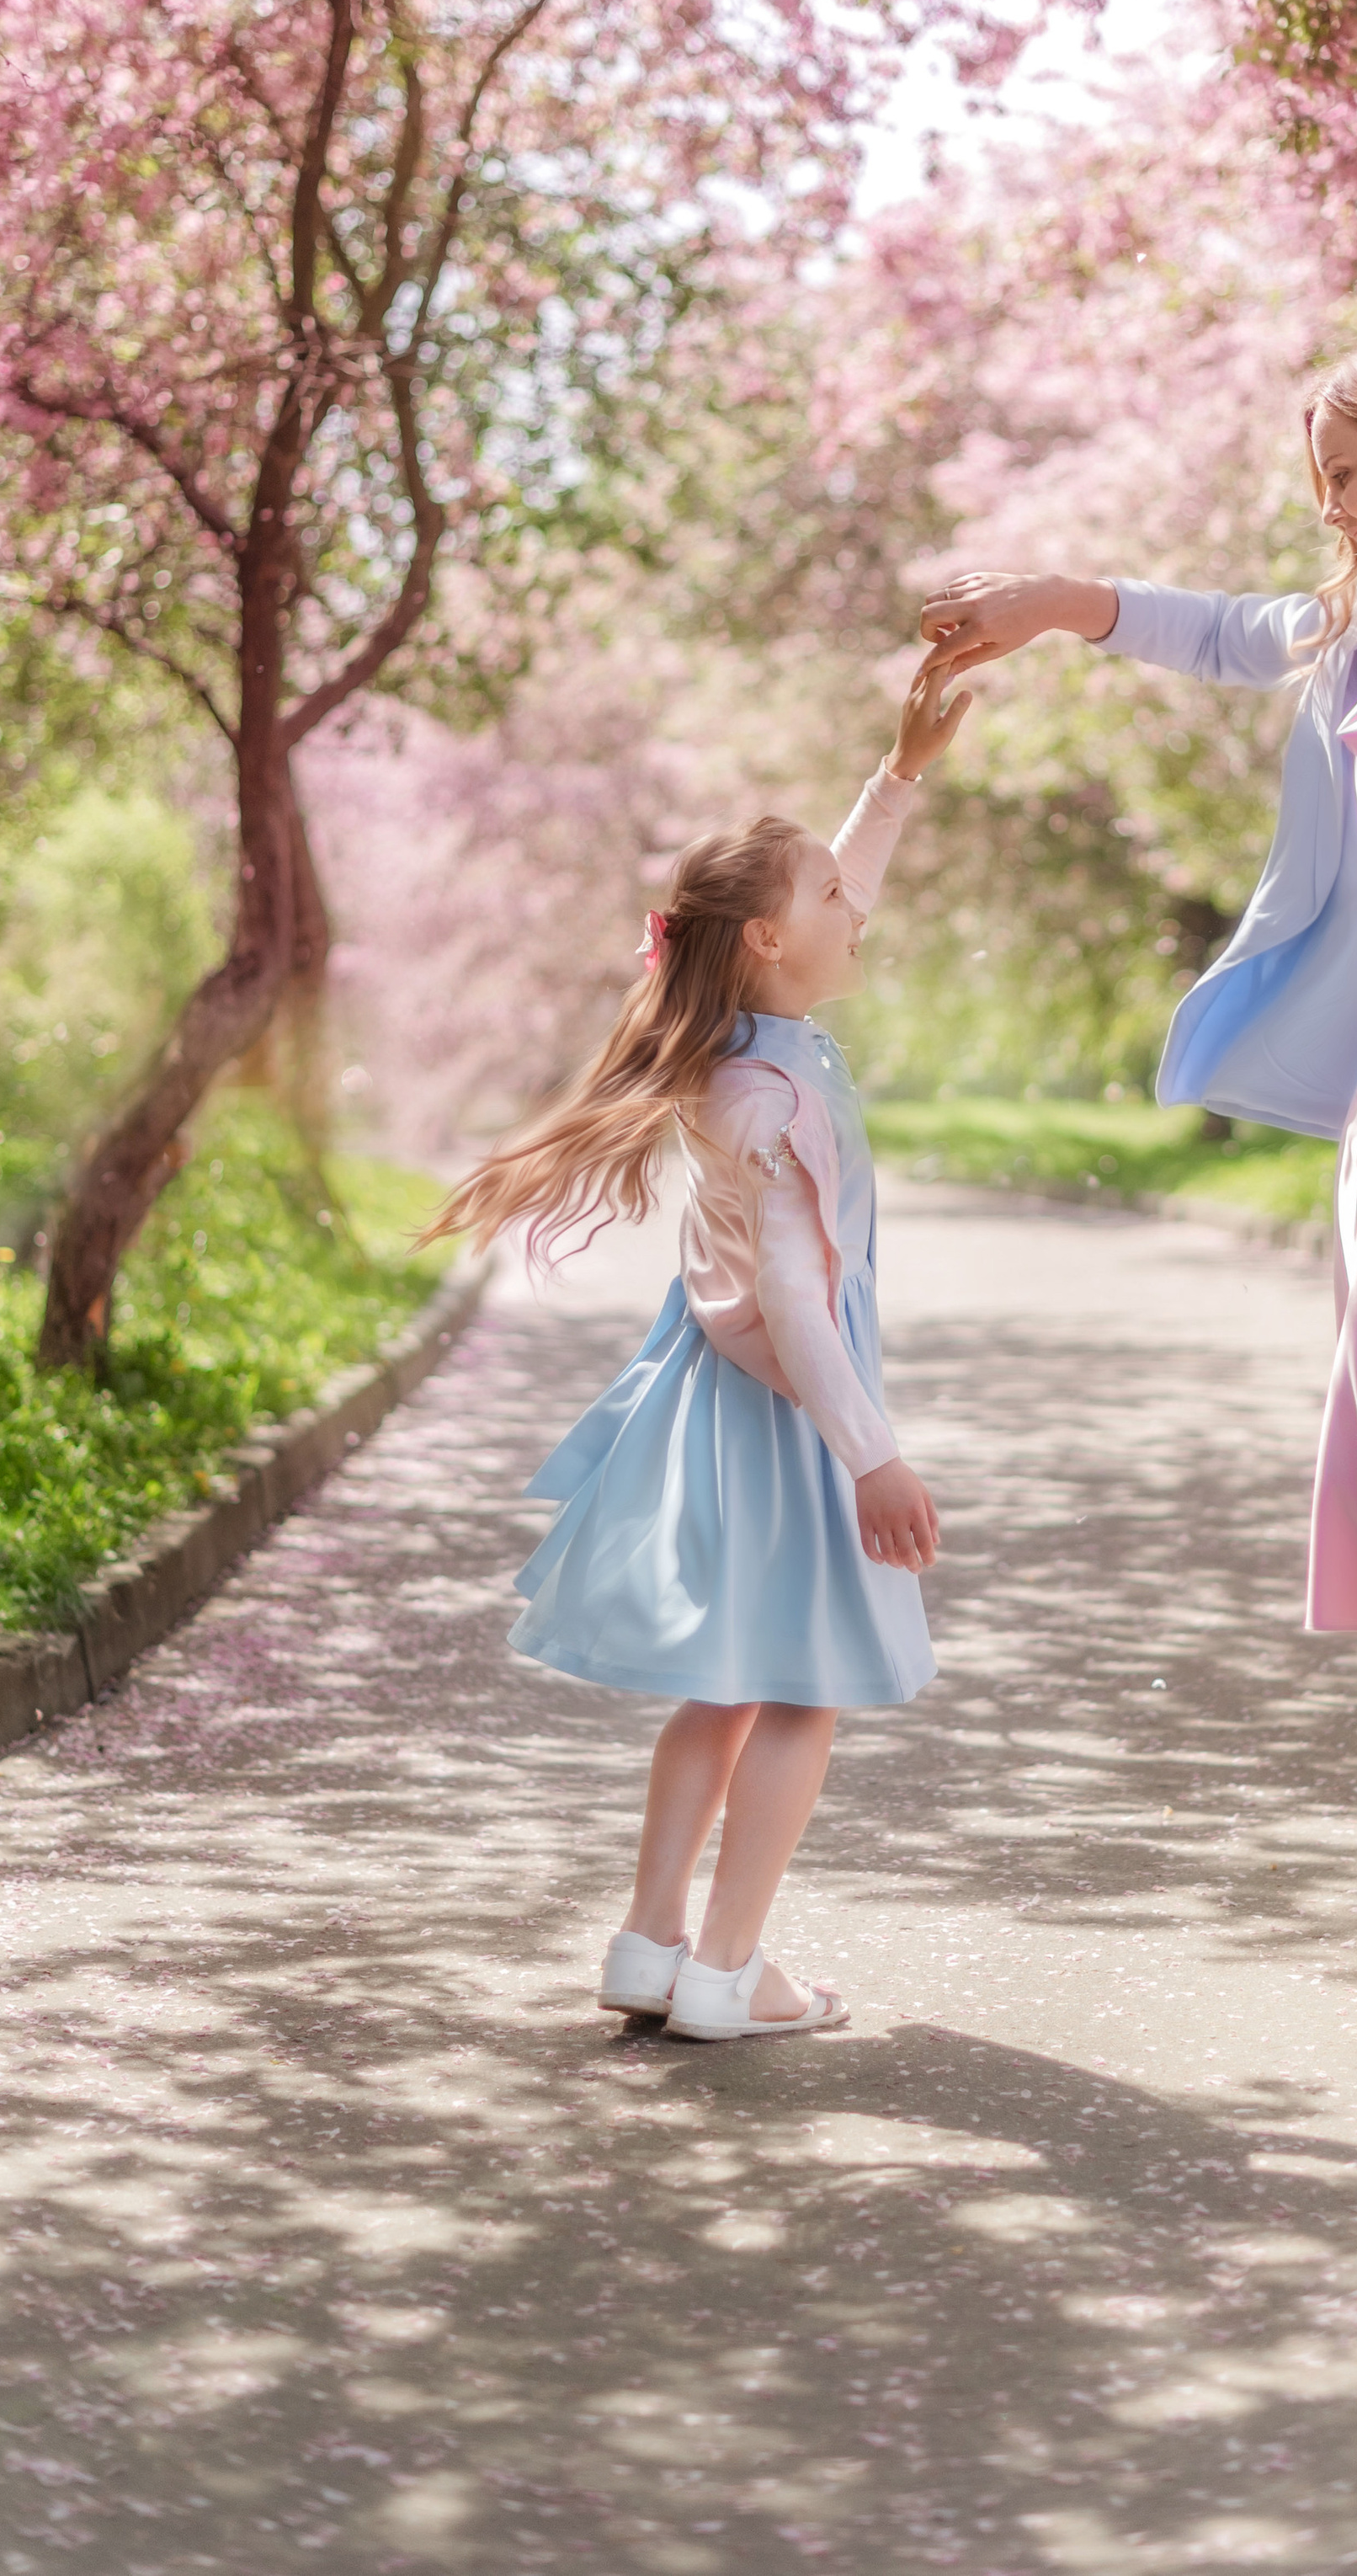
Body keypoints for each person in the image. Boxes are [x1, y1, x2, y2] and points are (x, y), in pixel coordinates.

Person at [917, 330, 1357, 2081]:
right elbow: (1240, 631)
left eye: (1344, 473)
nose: (1324, 511)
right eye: (1314, 481)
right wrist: (1059, 604)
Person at [426, 665, 971, 2042]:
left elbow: (829, 882)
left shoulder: (749, 1042)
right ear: (773, 943)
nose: (860, 905)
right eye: (834, 900)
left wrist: (899, 775)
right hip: (799, 1417)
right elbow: (798, 1301)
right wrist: (878, 1457)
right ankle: (733, 1969)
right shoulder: (773, 1093)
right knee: (807, 1684)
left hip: (728, 1409)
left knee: (724, 1684)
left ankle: (651, 1941)